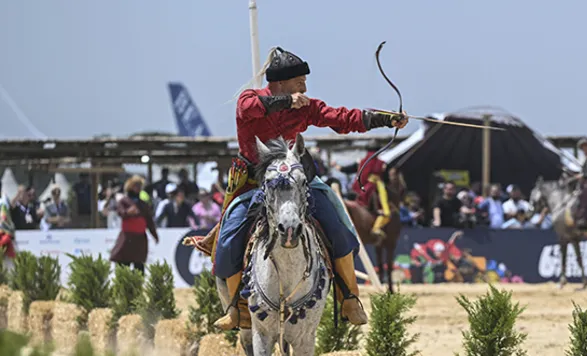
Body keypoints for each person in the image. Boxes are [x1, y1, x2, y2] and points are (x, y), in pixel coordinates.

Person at [188, 46, 408, 330]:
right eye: (299, 81)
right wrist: (286, 102)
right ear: (281, 83)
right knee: (229, 238)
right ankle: (235, 309)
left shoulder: (306, 105)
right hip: (253, 182)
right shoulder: (251, 99)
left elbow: (342, 118)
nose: (305, 86)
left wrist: (385, 119)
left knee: (340, 226)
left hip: (294, 178)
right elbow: (247, 109)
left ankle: (350, 298)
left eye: (304, 81)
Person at [110, 176, 159, 274]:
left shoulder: (143, 204)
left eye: (140, 186)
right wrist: (128, 212)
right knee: (123, 264)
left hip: (140, 239)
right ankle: (123, 286)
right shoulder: (123, 201)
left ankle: (137, 286)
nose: (138, 188)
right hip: (127, 238)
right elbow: (121, 213)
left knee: (139, 265)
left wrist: (154, 235)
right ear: (130, 186)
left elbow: (149, 221)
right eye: (136, 185)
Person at [351, 143, 393, 240]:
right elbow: (386, 179)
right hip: (376, 185)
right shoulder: (381, 163)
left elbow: (361, 175)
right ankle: (376, 227)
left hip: (364, 186)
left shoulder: (362, 161)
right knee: (386, 212)